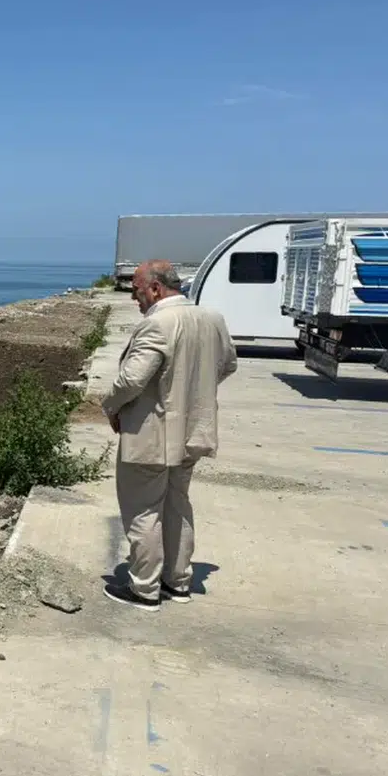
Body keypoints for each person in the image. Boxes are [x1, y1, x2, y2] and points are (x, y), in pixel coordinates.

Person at [100, 259, 237, 612]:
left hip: (153, 435)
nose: (135, 299)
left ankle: (144, 589)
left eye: (138, 291)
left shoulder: (158, 324)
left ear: (156, 288)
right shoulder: (212, 319)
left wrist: (111, 407)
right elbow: (228, 364)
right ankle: (178, 581)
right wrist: (194, 393)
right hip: (193, 432)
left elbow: (132, 380)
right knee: (178, 505)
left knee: (143, 511)